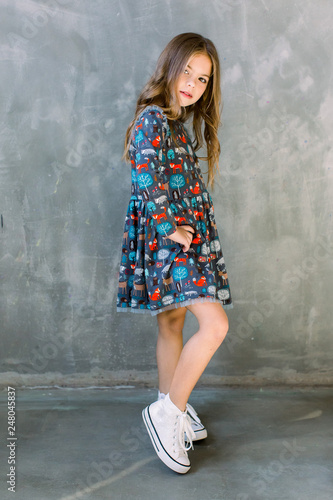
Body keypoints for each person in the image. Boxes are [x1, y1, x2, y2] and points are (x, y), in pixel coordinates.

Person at [116, 32, 233, 474]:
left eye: (202, 79)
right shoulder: (151, 118)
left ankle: (173, 405)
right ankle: (166, 414)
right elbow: (144, 176)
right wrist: (171, 229)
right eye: (187, 71)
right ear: (170, 65)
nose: (192, 84)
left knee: (172, 322)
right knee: (214, 324)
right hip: (169, 241)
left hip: (180, 237)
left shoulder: (175, 123)